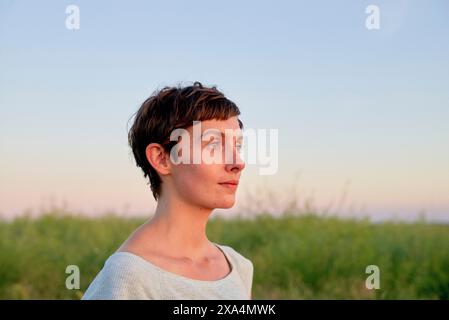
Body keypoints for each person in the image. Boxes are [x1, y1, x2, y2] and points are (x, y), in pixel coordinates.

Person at [82, 81, 253, 299]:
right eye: (213, 144)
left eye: (237, 146)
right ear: (162, 158)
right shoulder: (127, 277)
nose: (237, 162)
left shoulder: (238, 268)